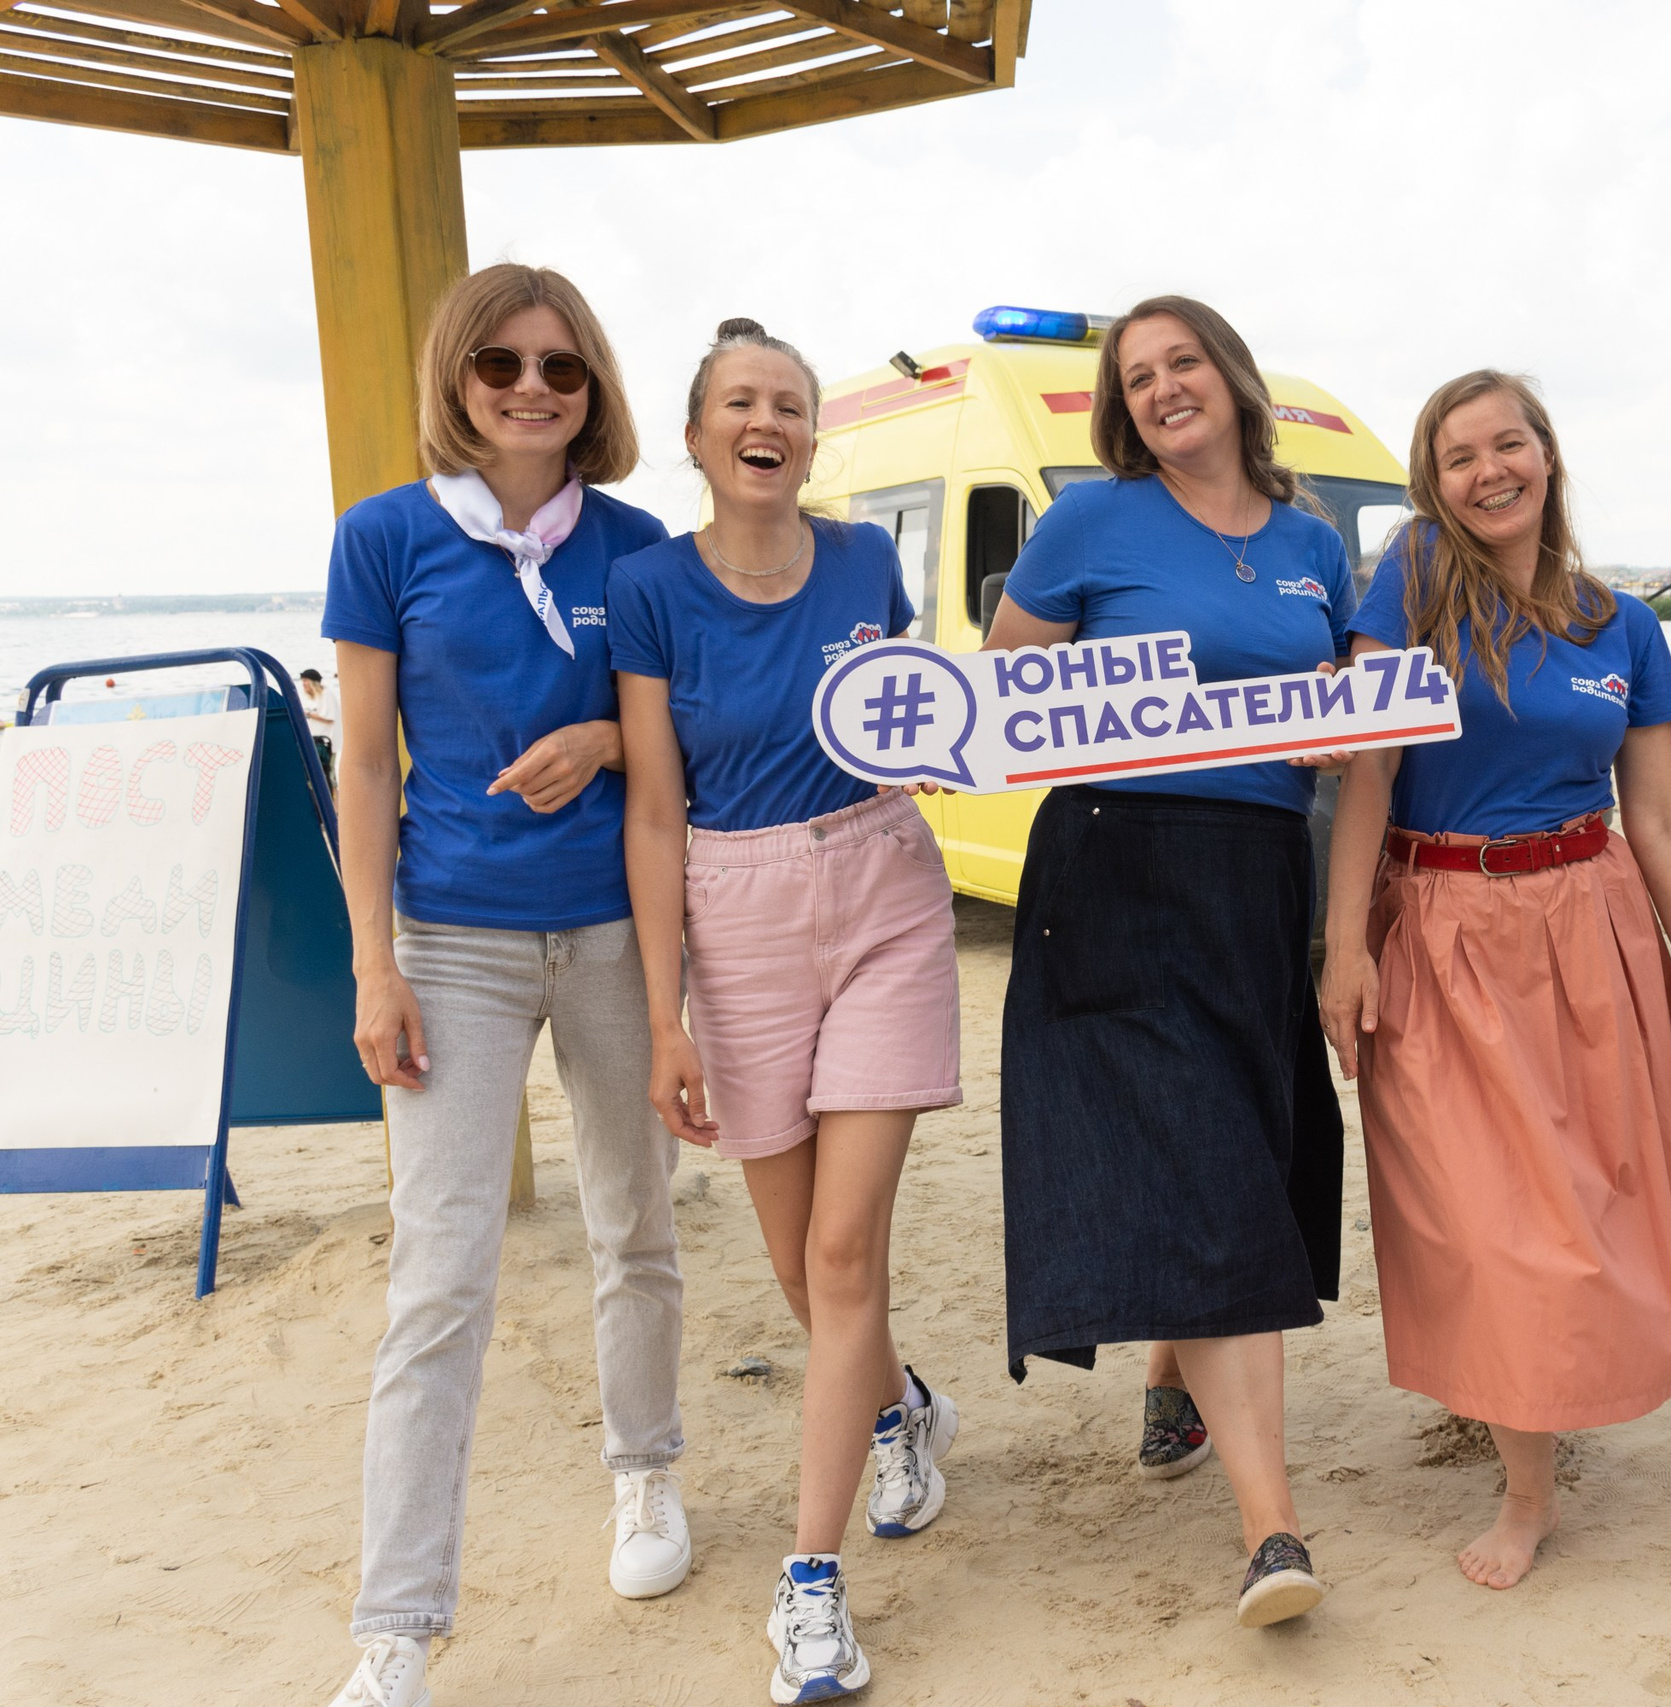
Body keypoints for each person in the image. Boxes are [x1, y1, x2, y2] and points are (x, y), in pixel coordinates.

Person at [321, 264, 686, 1707]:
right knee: (438, 1276)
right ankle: (398, 1622)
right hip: (452, 942)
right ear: (456, 380)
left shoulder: (643, 546)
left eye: (561, 368)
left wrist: (601, 735)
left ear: (593, 389)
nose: (532, 388)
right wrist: (372, 966)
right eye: (500, 365)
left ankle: (647, 1475)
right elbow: (360, 762)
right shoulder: (384, 537)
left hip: (613, 931)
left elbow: (682, 739)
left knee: (635, 1225)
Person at [1317, 371, 1671, 1591]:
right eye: (1459, 457)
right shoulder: (1405, 587)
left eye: (1510, 445)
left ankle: (1528, 1410)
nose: (1488, 471)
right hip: (1440, 922)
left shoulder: (1621, 624)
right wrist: (1344, 948)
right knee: (1483, 1214)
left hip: (1589, 924)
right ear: (1430, 483)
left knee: (1580, 1199)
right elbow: (1368, 778)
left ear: (1547, 458)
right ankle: (1527, 1487)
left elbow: (1657, 817)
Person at [982, 294, 1349, 1628]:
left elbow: (1353, 710)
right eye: (1138, 376)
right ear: (1120, 406)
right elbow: (1008, 687)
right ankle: (1272, 1526)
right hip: (1114, 863)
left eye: (1182, 360)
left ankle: (1167, 1381)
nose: (1162, 387)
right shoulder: (1089, 520)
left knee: (1232, 1146)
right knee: (1206, 1170)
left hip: (1257, 876)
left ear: (1232, 375)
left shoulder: (1317, 543)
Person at [613, 317, 964, 1704]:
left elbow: (912, 710)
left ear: (814, 438)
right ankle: (904, 1406)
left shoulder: (872, 558)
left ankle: (807, 1585)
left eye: (793, 405)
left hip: (883, 885)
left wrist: (939, 749)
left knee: (839, 1250)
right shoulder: (648, 588)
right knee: (802, 1274)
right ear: (699, 435)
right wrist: (665, 1014)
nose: (770, 421)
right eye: (741, 402)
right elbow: (653, 806)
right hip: (734, 914)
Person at [298, 666, 339, 786]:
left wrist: (309, 714)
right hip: (314, 740)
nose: (304, 684)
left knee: (327, 774)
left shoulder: (326, 694)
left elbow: (330, 718)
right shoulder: (308, 697)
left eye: (306, 681)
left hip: (327, 742)